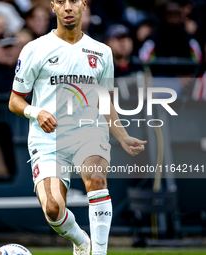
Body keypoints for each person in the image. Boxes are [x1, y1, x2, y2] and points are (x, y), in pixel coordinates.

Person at [8, 1, 146, 255]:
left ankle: (100, 253)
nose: (67, 7)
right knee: (53, 209)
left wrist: (123, 136)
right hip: (48, 138)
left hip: (88, 131)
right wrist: (36, 111)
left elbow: (104, 101)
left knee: (96, 178)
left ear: (84, 5)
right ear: (53, 7)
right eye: (61, 1)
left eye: (73, 1)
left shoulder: (102, 51)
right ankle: (82, 242)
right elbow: (15, 100)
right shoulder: (35, 49)